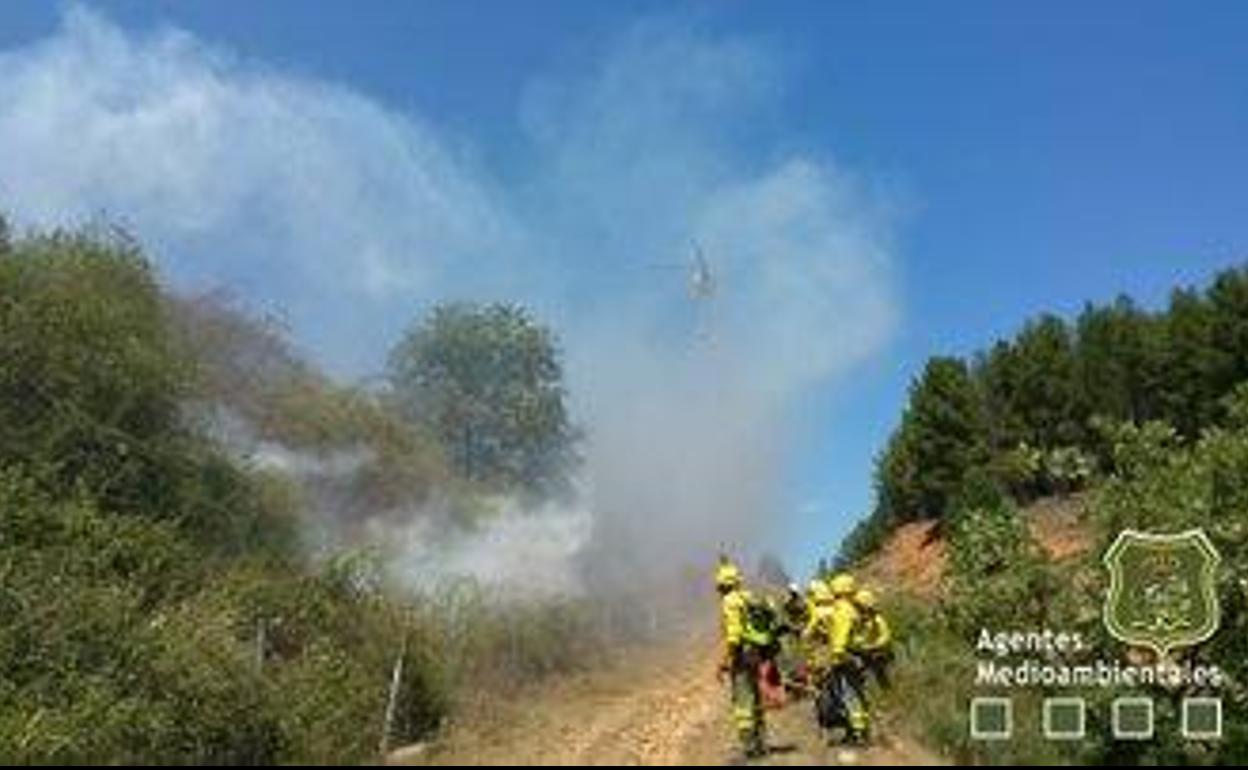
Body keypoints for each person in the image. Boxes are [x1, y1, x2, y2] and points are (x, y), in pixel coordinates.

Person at [805, 573, 870, 745]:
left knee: (847, 694)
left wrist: (836, 657)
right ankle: (859, 730)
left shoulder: (841, 611)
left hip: (843, 657)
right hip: (857, 656)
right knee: (856, 693)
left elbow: (838, 640)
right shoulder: (852, 609)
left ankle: (856, 733)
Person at [715, 559, 769, 758]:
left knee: (743, 702)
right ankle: (761, 742)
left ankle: (749, 748)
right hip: (756, 653)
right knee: (755, 697)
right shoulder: (747, 597)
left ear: (721, 584)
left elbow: (734, 636)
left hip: (743, 655)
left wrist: (723, 662)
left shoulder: (730, 601)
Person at [851, 588, 894, 690]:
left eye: (859, 605)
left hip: (876, 652)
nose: (858, 608)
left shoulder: (877, 619)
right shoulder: (858, 619)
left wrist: (872, 646)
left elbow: (886, 636)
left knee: (879, 672)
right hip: (864, 652)